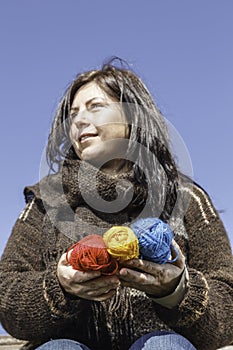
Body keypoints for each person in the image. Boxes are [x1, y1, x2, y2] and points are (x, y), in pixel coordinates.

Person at [0, 58, 232, 350]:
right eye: (73, 114)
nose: (79, 120)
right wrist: (60, 287)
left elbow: (228, 310)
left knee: (166, 346)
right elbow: (7, 297)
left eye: (95, 106)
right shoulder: (46, 201)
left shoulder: (185, 197)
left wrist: (176, 291)